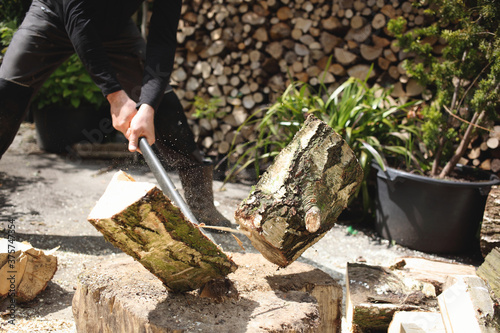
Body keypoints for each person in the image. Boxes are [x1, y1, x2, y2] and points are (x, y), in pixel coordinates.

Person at [0, 0, 231, 228]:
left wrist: (148, 105)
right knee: (7, 93)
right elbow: (77, 17)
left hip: (114, 27)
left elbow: (163, 38)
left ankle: (202, 207)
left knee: (165, 107)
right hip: (54, 14)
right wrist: (116, 97)